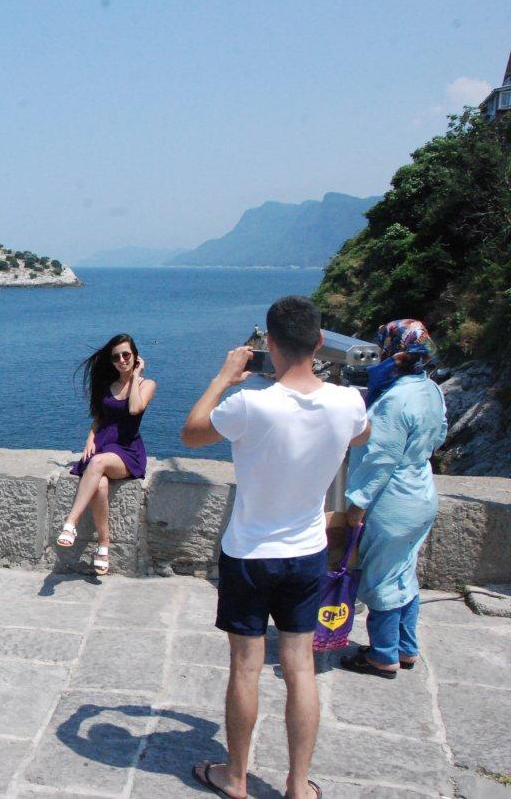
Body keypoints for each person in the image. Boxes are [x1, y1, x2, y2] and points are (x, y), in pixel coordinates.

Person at [180, 296, 370, 799]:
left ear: (268, 343)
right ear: (320, 342)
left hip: (249, 553)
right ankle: (297, 786)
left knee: (246, 667)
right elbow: (360, 435)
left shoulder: (252, 404)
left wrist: (223, 378)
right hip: (307, 552)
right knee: (300, 668)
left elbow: (192, 432)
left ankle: (236, 777)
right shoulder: (348, 403)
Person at [339, 319, 447, 678]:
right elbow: (439, 436)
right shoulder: (431, 389)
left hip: (392, 500)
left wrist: (357, 503)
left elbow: (380, 458)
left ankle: (382, 655)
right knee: (403, 573)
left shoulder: (395, 398)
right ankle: (405, 648)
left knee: (382, 578)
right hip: (421, 491)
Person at [56, 333, 155, 575]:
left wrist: (135, 376)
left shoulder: (147, 385)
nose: (121, 360)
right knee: (99, 485)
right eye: (116, 357)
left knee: (98, 463)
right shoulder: (107, 387)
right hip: (102, 445)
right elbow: (99, 419)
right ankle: (104, 545)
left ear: (135, 356)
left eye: (126, 355)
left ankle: (71, 523)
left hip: (128, 452)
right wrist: (89, 439)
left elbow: (135, 408)